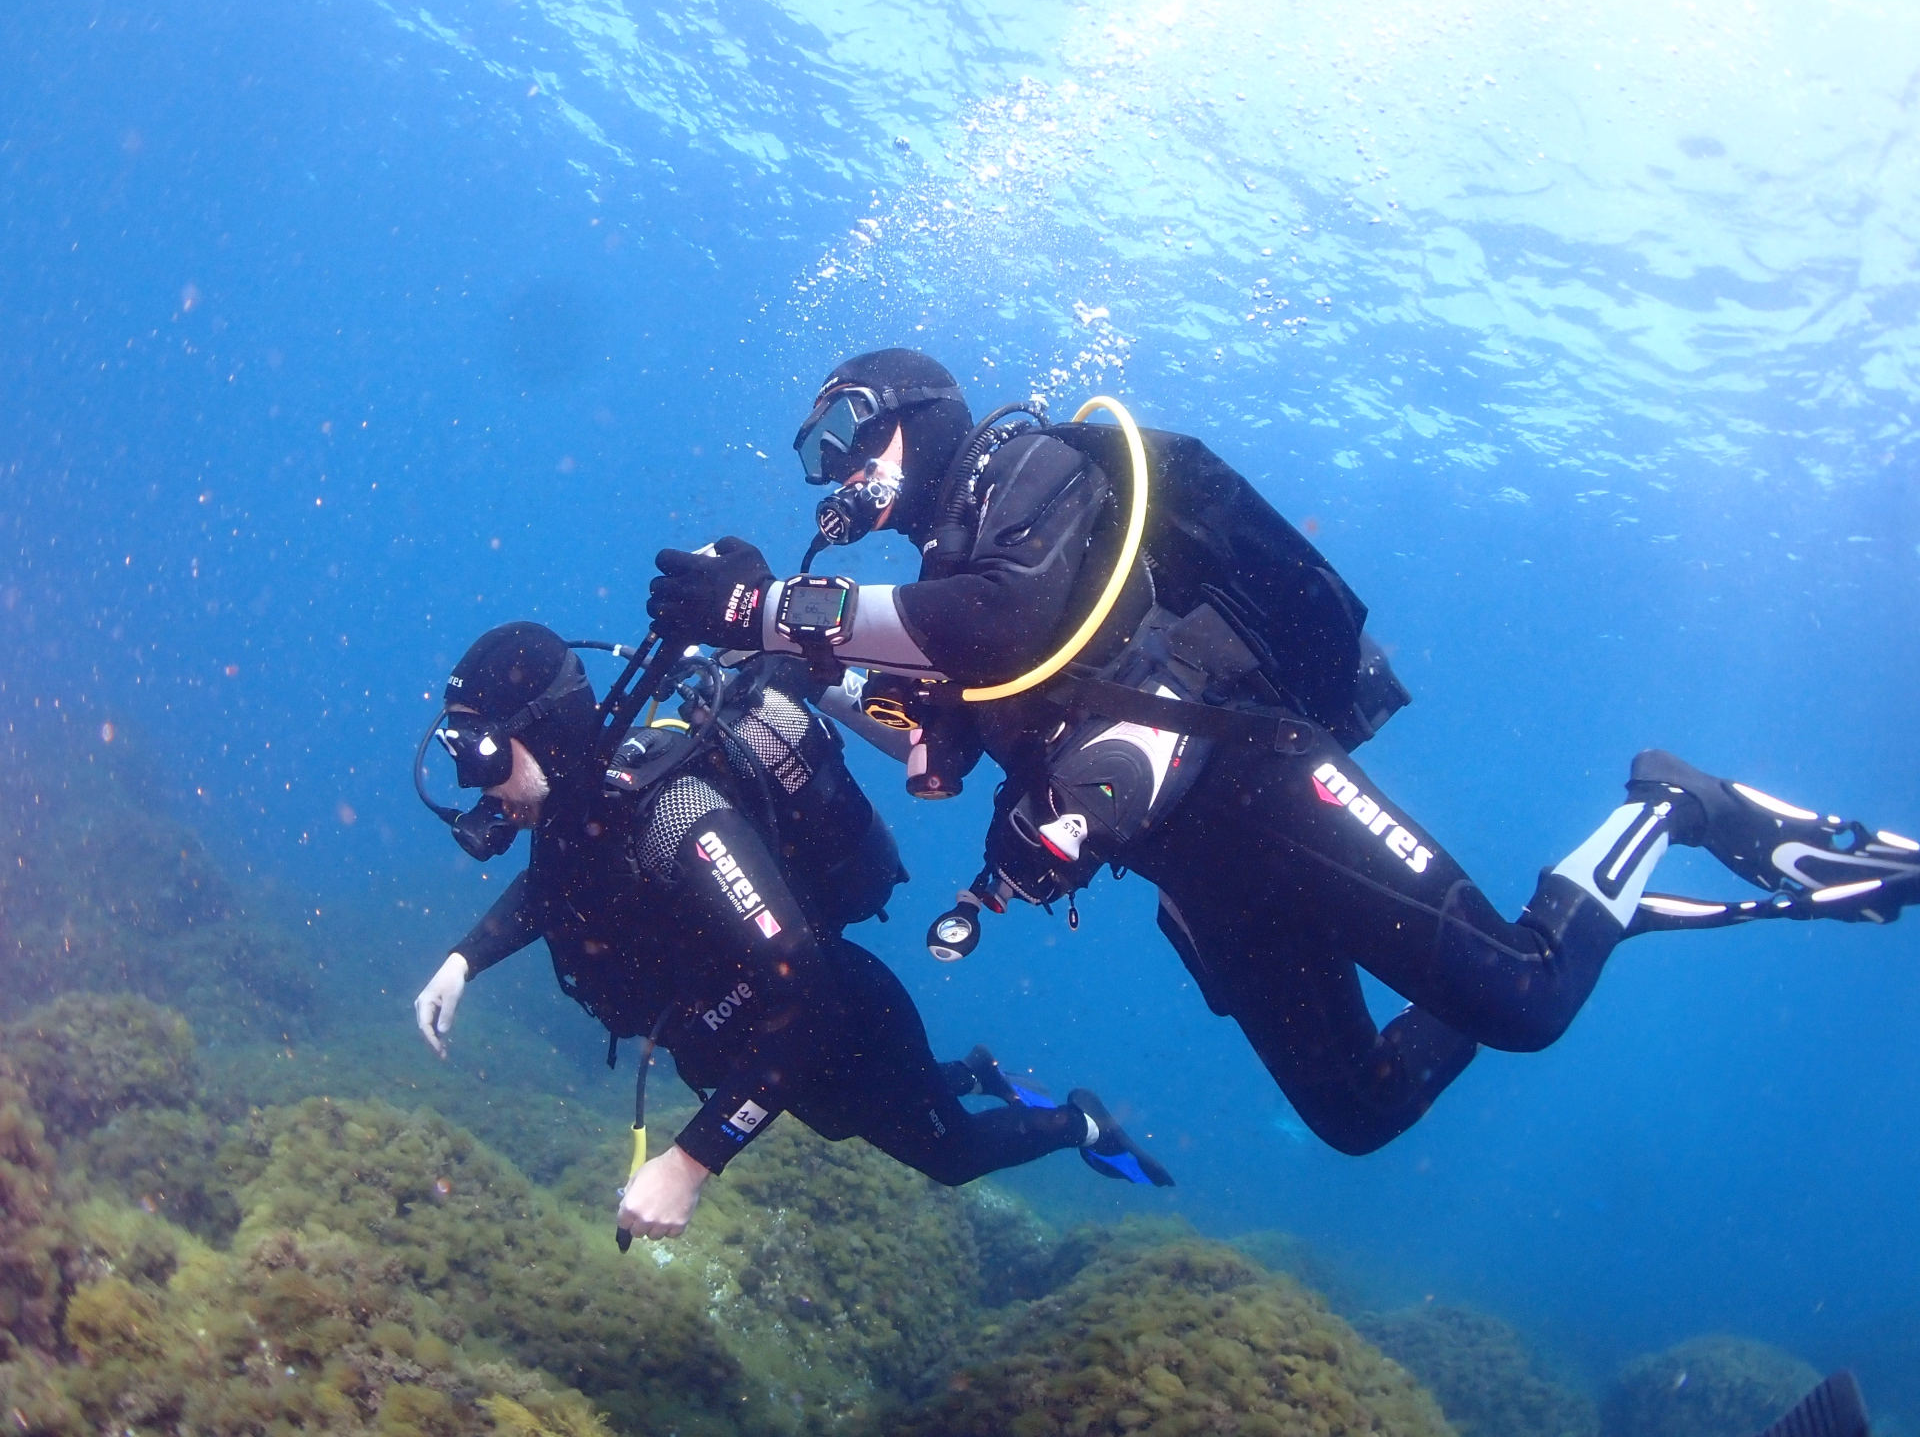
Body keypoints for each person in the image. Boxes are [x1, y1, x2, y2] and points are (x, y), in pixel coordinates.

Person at [645, 348, 1920, 1156]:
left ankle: (1667, 806)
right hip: (1193, 869)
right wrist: (817, 668)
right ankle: (1585, 912)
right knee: (1356, 1110)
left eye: (851, 434)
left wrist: (773, 612)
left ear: (920, 418)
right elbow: (941, 756)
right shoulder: (933, 581)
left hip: (1258, 771)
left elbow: (1011, 622)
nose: (840, 471)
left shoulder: (1027, 467)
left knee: (1525, 1004)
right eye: (820, 455)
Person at [408, 622, 1173, 1243]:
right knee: (850, 1121)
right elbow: (549, 890)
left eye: (481, 756)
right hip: (761, 1056)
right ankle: (972, 1071)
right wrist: (462, 960)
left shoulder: (678, 820)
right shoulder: (575, 815)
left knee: (953, 1155)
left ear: (546, 733)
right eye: (457, 755)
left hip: (840, 1023)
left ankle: (1081, 1121)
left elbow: (804, 996)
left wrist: (690, 1162)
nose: (475, 786)